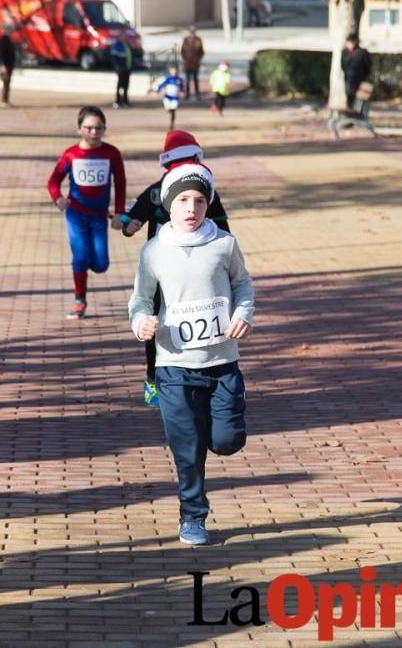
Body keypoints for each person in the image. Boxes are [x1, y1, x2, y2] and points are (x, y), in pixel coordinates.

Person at [128, 162, 254, 546]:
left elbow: (243, 284)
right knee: (187, 445)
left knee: (227, 440)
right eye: (182, 200)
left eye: (199, 200)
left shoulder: (224, 244)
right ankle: (192, 516)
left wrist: (242, 314)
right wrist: (140, 324)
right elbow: (140, 299)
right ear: (169, 204)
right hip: (173, 366)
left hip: (221, 363)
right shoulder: (154, 251)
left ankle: (220, 435)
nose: (191, 208)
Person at [120, 131, 231, 406]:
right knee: (155, 323)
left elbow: (225, 231)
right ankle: (152, 380)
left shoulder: (206, 194)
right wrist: (129, 225)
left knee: (196, 317)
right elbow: (132, 216)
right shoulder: (157, 192)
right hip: (162, 272)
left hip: (197, 272)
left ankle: (204, 375)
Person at [48, 106, 126, 319]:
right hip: (76, 215)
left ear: (104, 129)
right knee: (80, 257)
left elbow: (120, 183)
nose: (94, 132)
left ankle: (84, 264)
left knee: (101, 264)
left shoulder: (111, 153)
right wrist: (58, 198)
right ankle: (79, 299)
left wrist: (119, 212)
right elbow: (53, 181)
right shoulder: (71, 154)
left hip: (99, 216)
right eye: (89, 128)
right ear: (79, 129)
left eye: (98, 128)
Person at [341, 33, 371, 108]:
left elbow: (367, 66)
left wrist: (363, 76)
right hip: (348, 79)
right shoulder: (345, 52)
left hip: (359, 80)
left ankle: (356, 113)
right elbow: (343, 65)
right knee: (349, 97)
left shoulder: (362, 53)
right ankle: (349, 110)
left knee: (359, 100)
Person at [156, 65, 185, 131]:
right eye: (173, 71)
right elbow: (161, 85)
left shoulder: (179, 79)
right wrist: (158, 91)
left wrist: (182, 92)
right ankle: (169, 112)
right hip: (167, 97)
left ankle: (172, 123)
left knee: (173, 109)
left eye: (175, 71)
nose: (174, 72)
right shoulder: (168, 79)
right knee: (168, 108)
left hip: (175, 98)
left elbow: (182, 87)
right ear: (170, 71)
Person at [180, 26, 204, 101]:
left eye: (193, 31)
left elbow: (201, 51)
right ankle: (187, 94)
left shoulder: (198, 39)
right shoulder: (186, 39)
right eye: (191, 31)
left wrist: (198, 59)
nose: (192, 33)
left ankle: (197, 93)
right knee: (187, 79)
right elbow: (182, 51)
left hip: (195, 63)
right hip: (187, 63)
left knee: (195, 79)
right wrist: (185, 59)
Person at [0, 25, 17, 107]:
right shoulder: (3, 40)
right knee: (5, 82)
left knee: (7, 83)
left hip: (8, 64)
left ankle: (6, 100)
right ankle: (4, 101)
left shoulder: (8, 39)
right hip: (5, 65)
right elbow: (1, 54)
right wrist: (2, 65)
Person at [110, 37, 133, 109]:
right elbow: (114, 57)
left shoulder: (127, 45)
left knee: (126, 85)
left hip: (127, 69)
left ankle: (125, 100)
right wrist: (118, 67)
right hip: (121, 69)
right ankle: (118, 101)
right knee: (120, 85)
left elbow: (130, 57)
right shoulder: (117, 46)